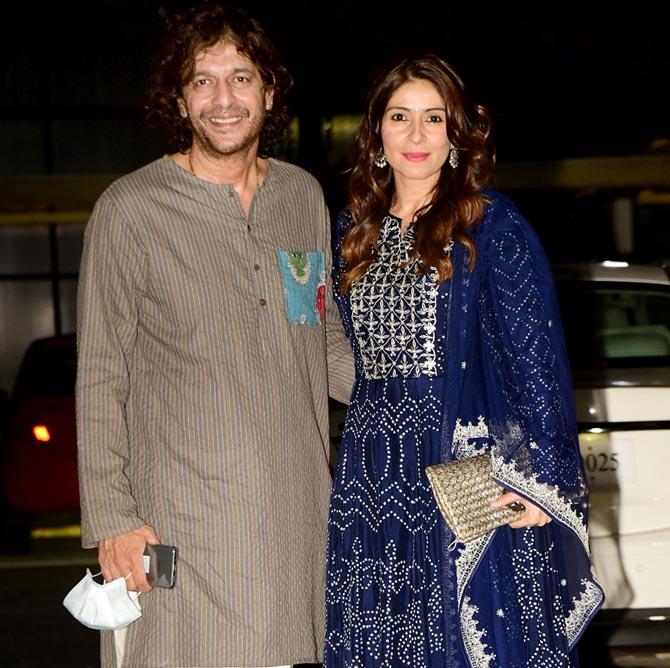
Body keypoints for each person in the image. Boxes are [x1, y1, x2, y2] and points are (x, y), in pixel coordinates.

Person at [75, 3, 353, 667]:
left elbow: (322, 343)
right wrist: (111, 518)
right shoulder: (132, 210)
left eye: (241, 77)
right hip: (184, 527)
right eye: (202, 81)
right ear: (179, 97)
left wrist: (436, 384)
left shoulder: (300, 198)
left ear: (271, 90)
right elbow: (100, 372)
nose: (223, 99)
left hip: (295, 522)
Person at [324, 54, 604, 667]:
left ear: (455, 135)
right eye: (400, 117)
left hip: (465, 464)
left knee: (468, 636)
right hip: (373, 465)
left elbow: (537, 362)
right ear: (376, 134)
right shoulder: (351, 229)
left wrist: (547, 485)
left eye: (433, 118)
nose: (417, 135)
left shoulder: (489, 222)